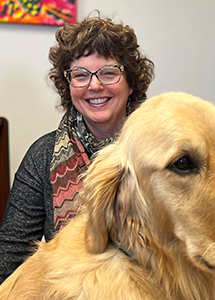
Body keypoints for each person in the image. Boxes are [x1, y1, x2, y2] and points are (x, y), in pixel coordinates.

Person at [0, 12, 154, 284]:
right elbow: (11, 259)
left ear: (131, 83)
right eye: (80, 75)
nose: (94, 85)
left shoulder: (162, 150)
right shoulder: (43, 155)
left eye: (109, 72)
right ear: (68, 85)